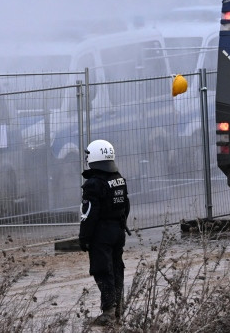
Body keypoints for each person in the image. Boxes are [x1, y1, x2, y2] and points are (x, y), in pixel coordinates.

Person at [79, 139, 130, 326]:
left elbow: (89, 214)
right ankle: (118, 311)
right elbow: (126, 205)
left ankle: (108, 313)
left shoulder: (94, 184)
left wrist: (84, 238)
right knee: (117, 269)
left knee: (102, 270)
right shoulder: (118, 178)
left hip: (101, 235)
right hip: (118, 231)